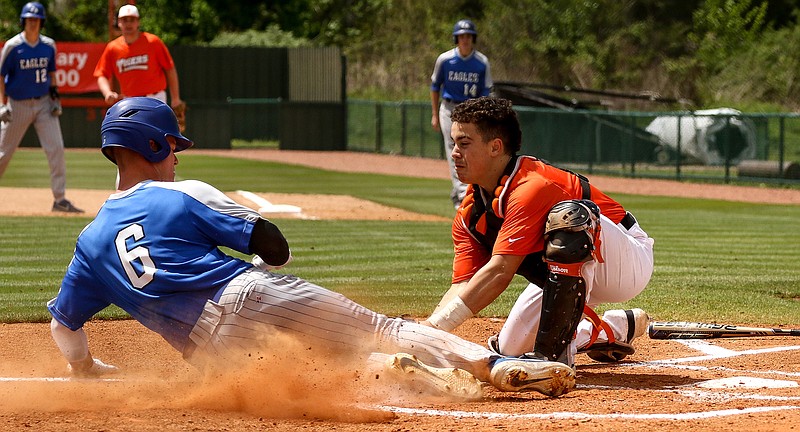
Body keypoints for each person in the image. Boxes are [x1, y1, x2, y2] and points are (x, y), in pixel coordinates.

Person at [47, 97, 576, 400]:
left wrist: (86, 370)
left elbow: (63, 325)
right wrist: (262, 265)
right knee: (378, 327)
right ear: (155, 145)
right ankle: (497, 367)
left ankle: (386, 369)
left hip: (210, 350)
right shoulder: (179, 194)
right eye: (174, 148)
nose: (178, 158)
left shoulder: (89, 243)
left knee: (306, 375)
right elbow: (272, 245)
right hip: (246, 292)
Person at [421, 97, 655, 370]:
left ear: (495, 146)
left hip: (625, 261)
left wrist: (435, 327)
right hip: (571, 271)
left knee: (569, 217)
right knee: (511, 349)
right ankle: (605, 330)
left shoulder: (530, 186)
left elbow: (499, 272)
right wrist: (425, 336)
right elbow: (463, 285)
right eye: (454, 142)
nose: (454, 152)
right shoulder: (470, 213)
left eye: (464, 143)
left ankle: (553, 358)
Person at [0, 2, 82, 213]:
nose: (33, 23)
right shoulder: (13, 46)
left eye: (36, 19)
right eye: (29, 19)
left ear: (42, 22)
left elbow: (52, 72)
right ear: (23, 21)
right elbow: (1, 76)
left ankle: (60, 199)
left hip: (44, 102)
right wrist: (3, 104)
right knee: (3, 153)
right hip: (17, 104)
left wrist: (55, 97)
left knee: (56, 149)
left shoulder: (49, 46)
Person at [430, 19, 492, 209]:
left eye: (468, 36)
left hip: (472, 111)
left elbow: (487, 91)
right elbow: (435, 86)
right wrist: (434, 114)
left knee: (472, 150)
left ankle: (460, 191)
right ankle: (463, 195)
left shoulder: (481, 62)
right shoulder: (445, 59)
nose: (465, 40)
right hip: (449, 109)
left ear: (473, 38)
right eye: (461, 36)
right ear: (456, 38)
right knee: (454, 149)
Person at [93, 4, 183, 110]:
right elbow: (101, 74)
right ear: (119, 22)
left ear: (138, 22)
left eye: (132, 20)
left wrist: (176, 98)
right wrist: (107, 93)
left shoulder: (153, 42)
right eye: (125, 20)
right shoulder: (113, 48)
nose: (128, 23)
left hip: (155, 99)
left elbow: (169, 68)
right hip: (129, 101)